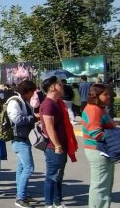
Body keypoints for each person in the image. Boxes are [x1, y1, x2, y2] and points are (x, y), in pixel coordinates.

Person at [82, 84, 117, 208]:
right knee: (100, 186)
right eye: (105, 94)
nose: (109, 97)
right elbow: (95, 133)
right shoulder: (94, 109)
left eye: (109, 94)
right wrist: (115, 137)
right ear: (96, 95)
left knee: (105, 185)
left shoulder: (98, 108)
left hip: (102, 151)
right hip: (98, 151)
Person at [40, 76, 70, 208]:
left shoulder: (56, 103)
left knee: (58, 176)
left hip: (60, 146)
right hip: (54, 147)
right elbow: (49, 127)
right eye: (60, 84)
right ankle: (48, 204)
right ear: (53, 87)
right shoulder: (48, 104)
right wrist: (57, 145)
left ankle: (57, 202)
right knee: (52, 176)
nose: (62, 86)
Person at [7, 80, 37, 208]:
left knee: (21, 168)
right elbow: (17, 119)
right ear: (27, 91)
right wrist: (33, 118)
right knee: (29, 168)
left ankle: (21, 194)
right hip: (19, 139)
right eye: (32, 92)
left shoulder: (23, 102)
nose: (33, 94)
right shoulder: (15, 102)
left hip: (23, 138)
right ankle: (20, 198)